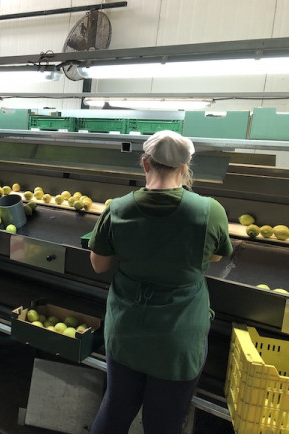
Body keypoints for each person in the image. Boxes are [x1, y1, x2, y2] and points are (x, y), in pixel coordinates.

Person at [88, 130, 233, 434]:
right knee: (163, 423)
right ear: (185, 168)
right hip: (178, 338)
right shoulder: (209, 211)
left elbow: (99, 265)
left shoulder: (117, 209)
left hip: (127, 331)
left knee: (115, 409)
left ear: (145, 163)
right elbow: (216, 256)